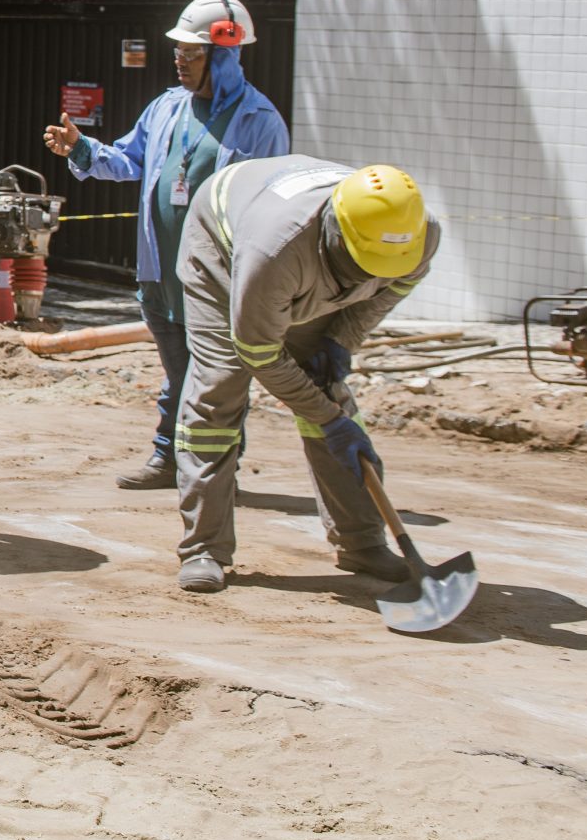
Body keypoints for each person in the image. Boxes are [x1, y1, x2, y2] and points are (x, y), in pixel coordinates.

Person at [44, 0, 290, 491]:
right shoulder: (167, 108)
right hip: (162, 276)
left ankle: (216, 470)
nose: (179, 60)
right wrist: (84, 149)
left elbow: (270, 211)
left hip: (218, 284)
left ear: (224, 56)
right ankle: (169, 458)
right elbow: (129, 160)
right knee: (179, 374)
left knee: (215, 381)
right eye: (177, 51)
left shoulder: (259, 123)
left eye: (191, 53)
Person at [166, 155, 437, 594]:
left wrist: (341, 340)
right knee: (218, 392)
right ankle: (204, 547)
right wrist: (329, 421)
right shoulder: (273, 253)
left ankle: (362, 542)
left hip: (305, 266)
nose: (372, 275)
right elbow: (259, 354)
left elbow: (397, 286)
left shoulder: (418, 235)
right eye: (364, 263)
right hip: (224, 242)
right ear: (338, 232)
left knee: (328, 392)